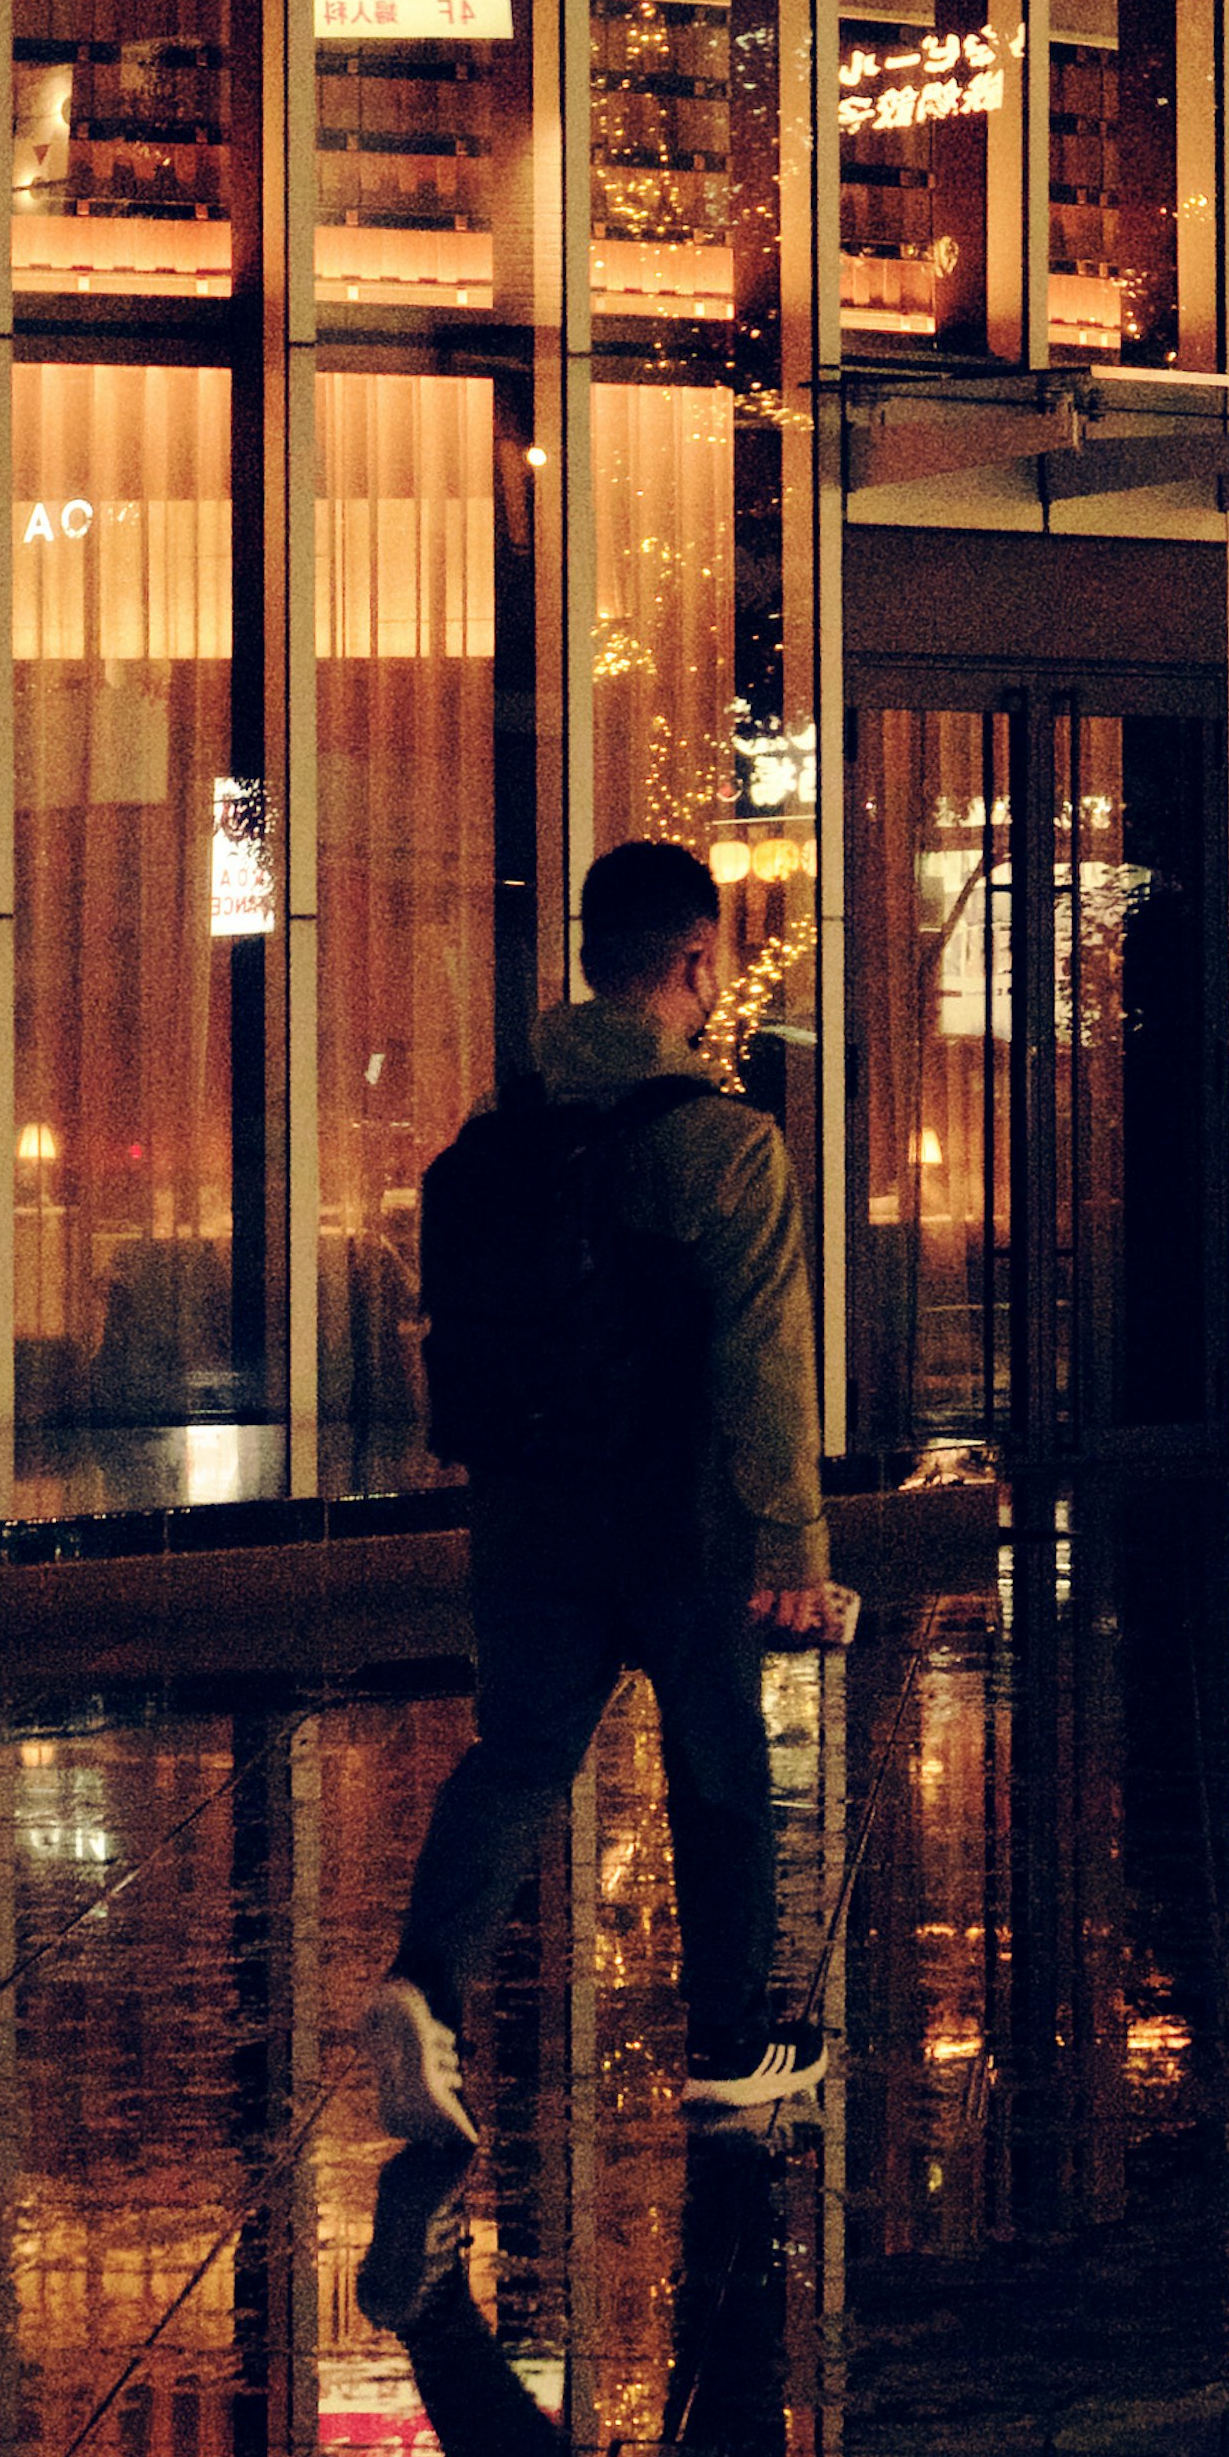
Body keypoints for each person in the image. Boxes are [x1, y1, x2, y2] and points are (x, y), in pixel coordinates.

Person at [357, 836, 840, 2323]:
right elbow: (763, 1363)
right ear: (696, 961)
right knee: (717, 1769)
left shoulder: (499, 1129)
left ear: (584, 958)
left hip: (526, 1508)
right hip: (674, 1513)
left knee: (519, 1755)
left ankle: (427, 1987)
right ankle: (732, 2043)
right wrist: (799, 1550)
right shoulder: (722, 1141)